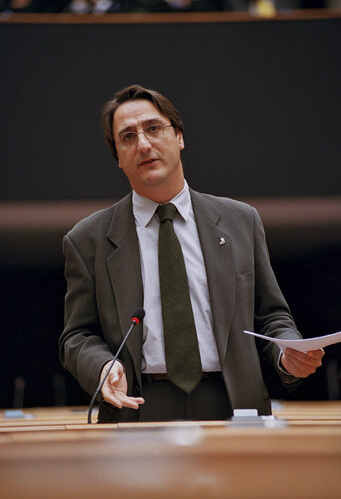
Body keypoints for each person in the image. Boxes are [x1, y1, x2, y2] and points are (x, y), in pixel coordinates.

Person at [58, 84, 324, 423]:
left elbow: (271, 317)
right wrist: (103, 366)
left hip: (233, 404)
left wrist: (289, 350)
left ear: (179, 136)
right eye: (127, 137)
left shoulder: (240, 222)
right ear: (118, 157)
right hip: (138, 408)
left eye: (154, 128)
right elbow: (77, 336)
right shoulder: (87, 240)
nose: (143, 144)